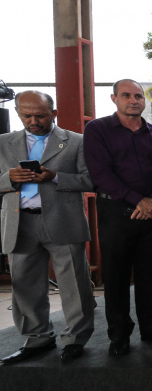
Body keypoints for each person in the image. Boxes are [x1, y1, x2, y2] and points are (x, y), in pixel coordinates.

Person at [84, 79, 152, 356]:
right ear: (114, 98)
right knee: (116, 278)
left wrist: (151, 201)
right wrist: (138, 200)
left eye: (138, 96)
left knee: (151, 276)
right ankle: (119, 336)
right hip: (116, 213)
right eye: (127, 95)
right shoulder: (97, 129)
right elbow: (100, 174)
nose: (134, 100)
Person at [0, 90, 95, 364]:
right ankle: (37, 339)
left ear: (53, 114)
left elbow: (91, 181)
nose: (33, 120)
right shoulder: (3, 143)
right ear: (17, 113)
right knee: (25, 286)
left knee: (74, 285)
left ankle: (76, 339)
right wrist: (9, 178)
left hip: (64, 221)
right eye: (26, 115)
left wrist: (55, 176)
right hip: (19, 223)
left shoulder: (77, 141)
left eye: (40, 115)